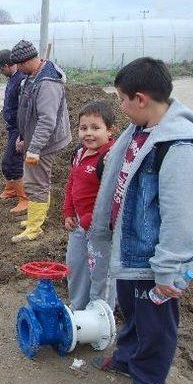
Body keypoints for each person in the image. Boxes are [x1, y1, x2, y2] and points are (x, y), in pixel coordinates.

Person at [88, 57, 193, 384]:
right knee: (132, 309)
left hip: (155, 257)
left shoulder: (179, 146)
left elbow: (181, 214)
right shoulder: (140, 131)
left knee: (155, 322)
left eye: (122, 99)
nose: (120, 107)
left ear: (141, 99)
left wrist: (169, 269)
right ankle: (126, 358)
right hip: (130, 246)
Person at [9, 40, 71, 242]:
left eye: (18, 65)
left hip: (44, 142)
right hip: (34, 138)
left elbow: (47, 120)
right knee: (38, 179)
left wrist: (34, 148)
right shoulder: (33, 77)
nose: (17, 69)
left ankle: (34, 228)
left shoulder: (47, 84)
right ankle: (36, 218)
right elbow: (27, 112)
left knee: (37, 182)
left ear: (27, 61)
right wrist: (22, 137)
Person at [63, 101, 116, 311]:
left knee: (101, 274)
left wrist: (90, 220)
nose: (89, 134)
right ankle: (78, 310)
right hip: (78, 225)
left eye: (96, 128)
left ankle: (101, 317)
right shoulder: (79, 153)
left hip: (100, 229)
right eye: (83, 128)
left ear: (109, 130)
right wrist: (68, 212)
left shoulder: (110, 158)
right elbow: (71, 184)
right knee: (75, 267)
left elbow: (113, 198)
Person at [0, 49, 28, 214]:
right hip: (12, 127)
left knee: (11, 162)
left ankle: (24, 198)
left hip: (18, 128)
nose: (1, 73)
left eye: (1, 69)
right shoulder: (13, 79)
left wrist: (21, 134)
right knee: (9, 161)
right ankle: (11, 189)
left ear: (7, 65)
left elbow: (23, 108)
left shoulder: (21, 80)